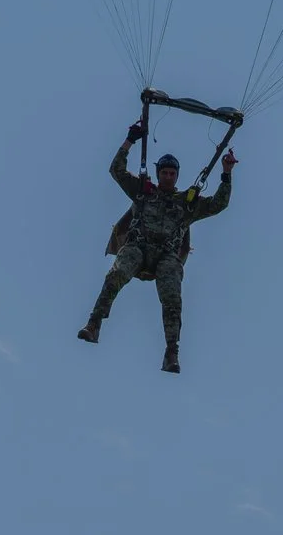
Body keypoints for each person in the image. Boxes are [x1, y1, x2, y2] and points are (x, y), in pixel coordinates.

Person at [78, 121, 236, 373]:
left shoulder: (187, 204)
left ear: (177, 176)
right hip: (138, 249)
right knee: (116, 274)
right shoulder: (143, 192)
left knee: (172, 297)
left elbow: (219, 204)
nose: (168, 177)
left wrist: (226, 173)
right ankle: (94, 323)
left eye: (172, 174)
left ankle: (171, 352)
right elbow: (116, 170)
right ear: (159, 173)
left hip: (167, 257)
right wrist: (129, 140)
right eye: (164, 172)